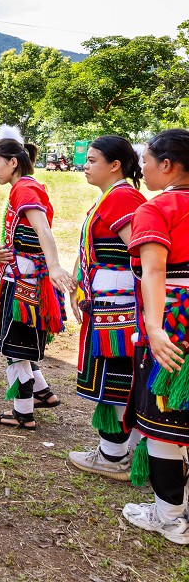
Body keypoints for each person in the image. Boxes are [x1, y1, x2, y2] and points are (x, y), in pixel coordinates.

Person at [122, 129, 189, 544]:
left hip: (175, 326)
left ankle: (169, 516)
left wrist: (154, 327)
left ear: (167, 165)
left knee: (162, 422)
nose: (141, 168)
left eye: (145, 160)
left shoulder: (159, 207)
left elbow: (155, 272)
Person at [67, 136, 145, 478]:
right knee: (119, 376)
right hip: (110, 304)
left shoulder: (123, 198)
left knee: (117, 377)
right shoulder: (113, 198)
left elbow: (141, 254)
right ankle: (124, 452)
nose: (86, 164)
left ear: (115, 165)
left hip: (119, 310)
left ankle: (113, 456)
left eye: (93, 159)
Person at [0, 128, 71, 430]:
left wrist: (56, 265)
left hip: (24, 283)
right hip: (25, 277)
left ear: (13, 162)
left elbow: (43, 229)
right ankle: (42, 392)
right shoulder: (28, 186)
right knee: (20, 343)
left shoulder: (24, 190)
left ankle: (22, 414)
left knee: (15, 348)